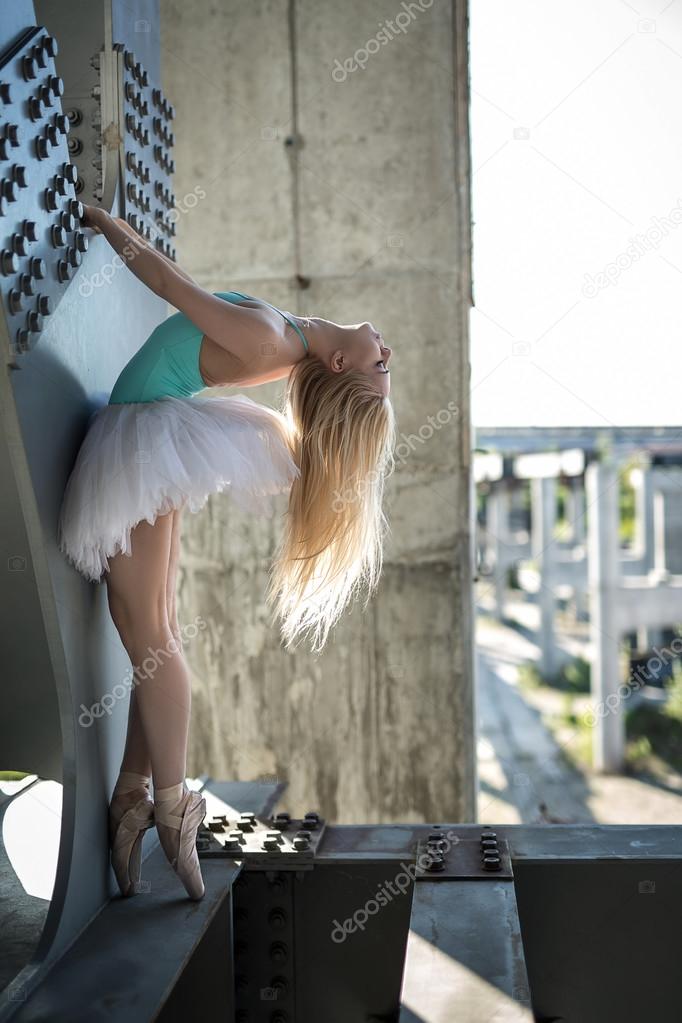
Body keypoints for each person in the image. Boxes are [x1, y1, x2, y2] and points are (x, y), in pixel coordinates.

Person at [58, 205, 396, 900]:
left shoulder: (271, 337)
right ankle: (132, 795)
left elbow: (167, 281)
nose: (387, 355)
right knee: (154, 633)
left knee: (152, 635)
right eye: (384, 367)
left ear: (337, 364)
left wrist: (105, 221)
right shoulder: (283, 338)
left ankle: (173, 804)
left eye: (378, 368)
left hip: (143, 437)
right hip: (151, 433)